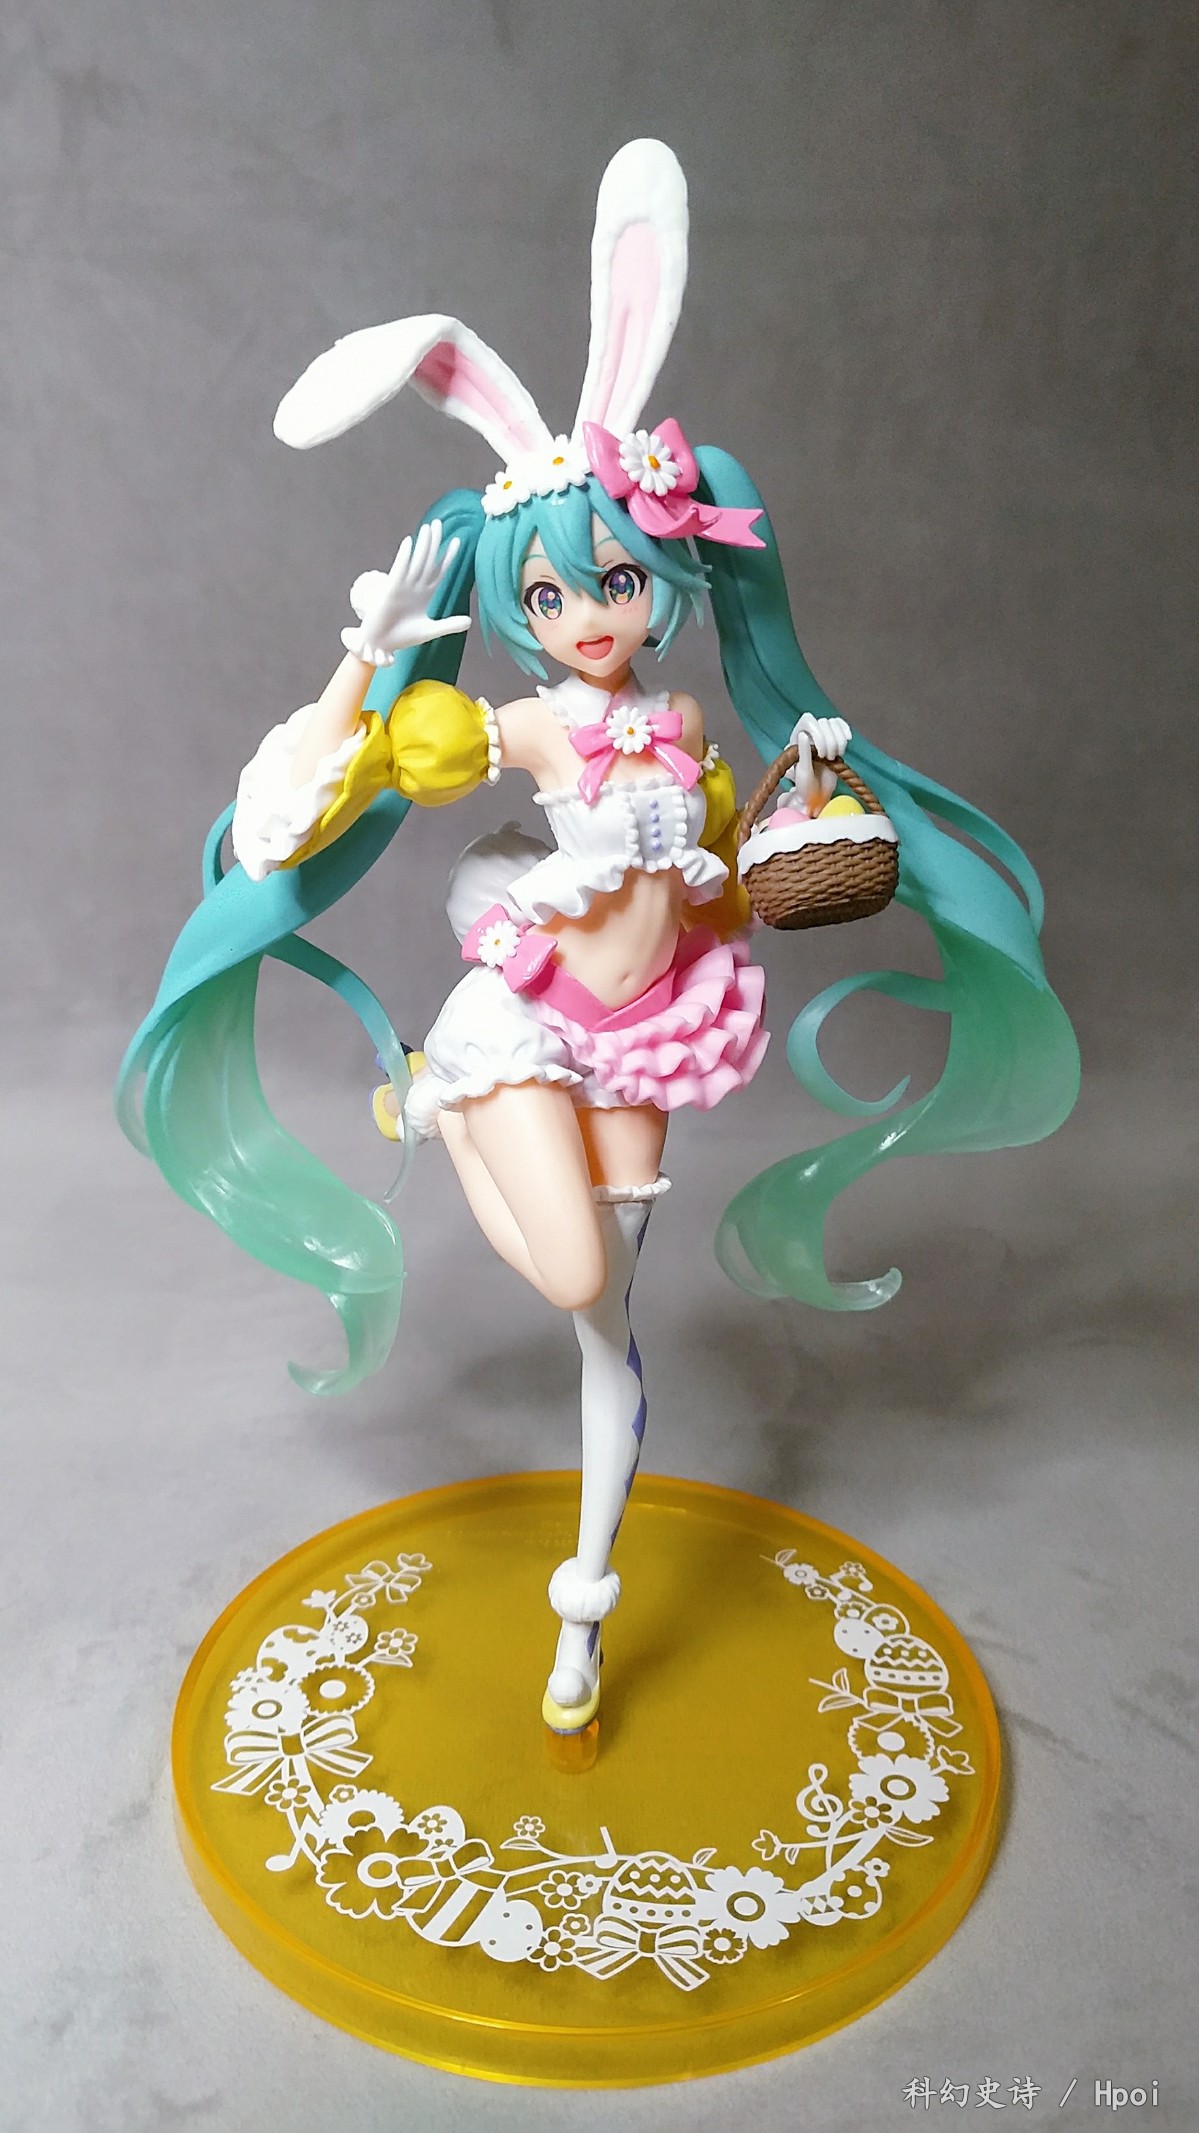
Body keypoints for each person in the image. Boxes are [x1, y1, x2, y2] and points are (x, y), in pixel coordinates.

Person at [117, 141, 1079, 1731]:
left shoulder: (683, 722)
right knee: (573, 1273)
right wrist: (362, 662)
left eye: (614, 583)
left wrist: (799, 800)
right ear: (522, 609)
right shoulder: (529, 729)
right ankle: (443, 1098)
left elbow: (711, 876)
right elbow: (305, 811)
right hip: (534, 1019)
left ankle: (583, 1613)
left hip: (656, 1023)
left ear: (660, 577)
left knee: (609, 1331)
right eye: (555, 598)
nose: (589, 617)